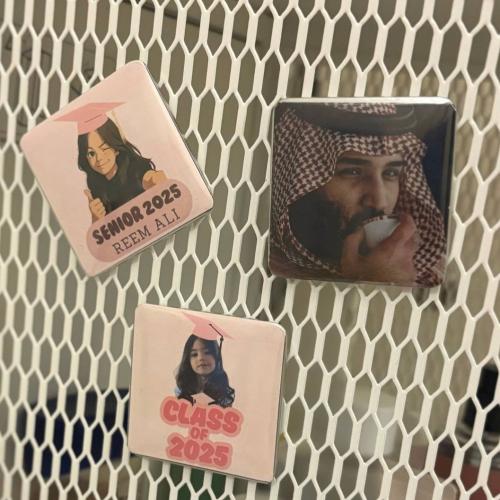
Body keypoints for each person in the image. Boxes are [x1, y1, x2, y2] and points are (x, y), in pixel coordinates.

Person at [270, 103, 447, 287]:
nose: (379, 201)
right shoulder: (269, 274)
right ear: (302, 178)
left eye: (391, 173)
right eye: (353, 172)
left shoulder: (431, 273)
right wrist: (376, 281)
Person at [56, 102, 167, 222]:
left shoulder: (135, 168)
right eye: (91, 153)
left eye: (104, 148)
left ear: (115, 148)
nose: (99, 158)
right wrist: (96, 218)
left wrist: (154, 181)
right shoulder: (95, 184)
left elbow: (147, 178)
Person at [175, 334, 235, 408]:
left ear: (216, 356)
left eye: (207, 352)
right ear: (188, 360)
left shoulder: (224, 392)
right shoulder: (182, 389)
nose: (201, 358)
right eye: (194, 354)